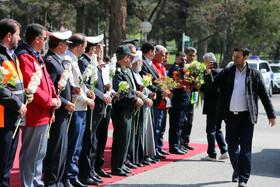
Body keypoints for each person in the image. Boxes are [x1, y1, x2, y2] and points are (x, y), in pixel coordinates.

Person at [204, 46, 276, 187]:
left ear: (245, 58)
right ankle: (237, 170)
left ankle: (243, 179)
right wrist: (207, 72)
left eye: (237, 57)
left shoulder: (254, 74)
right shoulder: (227, 72)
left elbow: (264, 95)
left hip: (247, 118)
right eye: (234, 56)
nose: (234, 59)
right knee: (231, 148)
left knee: (245, 149)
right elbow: (212, 85)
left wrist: (271, 115)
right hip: (230, 117)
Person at [15, 23, 61, 187]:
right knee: (30, 154)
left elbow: (47, 80)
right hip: (35, 112)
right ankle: (29, 184)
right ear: (36, 39)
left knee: (39, 153)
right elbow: (30, 86)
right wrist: (51, 101)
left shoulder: (35, 55)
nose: (46, 42)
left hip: (43, 112)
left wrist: (56, 97)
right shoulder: (24, 56)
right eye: (44, 38)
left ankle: (35, 182)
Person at [0, 19, 32, 187]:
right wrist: (18, 103)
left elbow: (12, 84)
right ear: (9, 35)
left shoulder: (10, 54)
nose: (20, 38)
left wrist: (26, 96)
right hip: (3, 118)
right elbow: (0, 89)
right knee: (2, 162)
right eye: (18, 34)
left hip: (13, 116)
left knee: (8, 162)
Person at [62, 33, 95, 187]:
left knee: (77, 145)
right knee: (72, 145)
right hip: (75, 107)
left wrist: (87, 91)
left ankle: (72, 175)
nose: (85, 49)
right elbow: (71, 87)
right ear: (79, 46)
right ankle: (67, 177)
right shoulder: (67, 60)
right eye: (85, 46)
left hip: (80, 107)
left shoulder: (74, 59)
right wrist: (86, 99)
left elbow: (78, 84)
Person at [43, 30, 75, 187]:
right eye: (66, 44)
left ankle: (58, 180)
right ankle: (52, 181)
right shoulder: (50, 61)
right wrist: (64, 102)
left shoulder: (58, 60)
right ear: (60, 45)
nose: (67, 47)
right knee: (55, 149)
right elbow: (51, 90)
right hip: (57, 111)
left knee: (62, 148)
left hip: (63, 111)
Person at [79, 34, 111, 185]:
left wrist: (103, 89)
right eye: (99, 47)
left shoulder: (91, 61)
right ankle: (85, 173)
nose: (100, 51)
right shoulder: (84, 61)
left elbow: (95, 83)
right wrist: (101, 95)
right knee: (89, 141)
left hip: (97, 107)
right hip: (92, 106)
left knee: (94, 141)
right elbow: (84, 85)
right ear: (93, 48)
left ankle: (91, 170)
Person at [111, 45, 143, 176]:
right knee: (121, 139)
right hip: (121, 110)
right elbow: (121, 91)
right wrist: (134, 99)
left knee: (126, 138)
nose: (131, 59)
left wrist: (135, 93)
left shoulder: (124, 70)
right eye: (129, 57)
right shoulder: (117, 71)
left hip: (127, 110)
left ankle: (122, 163)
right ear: (125, 57)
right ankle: (117, 166)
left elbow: (128, 89)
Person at [200, 52, 228, 161]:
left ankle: (211, 153)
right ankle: (224, 150)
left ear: (208, 62)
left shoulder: (212, 72)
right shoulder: (220, 71)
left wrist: (201, 87)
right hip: (219, 105)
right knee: (218, 129)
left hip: (213, 105)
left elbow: (212, 87)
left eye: (205, 61)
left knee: (211, 130)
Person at [131, 50, 157, 166]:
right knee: (140, 133)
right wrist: (146, 97)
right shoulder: (132, 73)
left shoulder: (138, 74)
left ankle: (147, 154)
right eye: (140, 62)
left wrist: (150, 93)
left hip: (146, 106)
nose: (141, 64)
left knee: (147, 132)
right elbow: (137, 91)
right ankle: (140, 156)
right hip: (139, 106)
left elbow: (143, 88)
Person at [152, 45, 173, 160]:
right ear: (156, 54)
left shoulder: (161, 66)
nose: (164, 57)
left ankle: (159, 147)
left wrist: (170, 89)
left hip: (164, 101)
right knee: (156, 126)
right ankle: (154, 149)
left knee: (161, 126)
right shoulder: (153, 65)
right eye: (162, 55)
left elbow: (165, 81)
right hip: (158, 100)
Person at [168, 52, 190, 155]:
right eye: (182, 60)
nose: (184, 62)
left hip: (183, 102)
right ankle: (174, 146)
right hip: (177, 102)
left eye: (185, 60)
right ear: (176, 59)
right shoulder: (174, 69)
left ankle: (179, 144)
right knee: (176, 126)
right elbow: (177, 74)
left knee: (181, 125)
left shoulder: (183, 69)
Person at [181, 47, 197, 151]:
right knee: (184, 121)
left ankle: (186, 141)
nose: (192, 57)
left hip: (192, 98)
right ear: (186, 55)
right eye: (190, 55)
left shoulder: (195, 66)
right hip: (184, 97)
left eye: (193, 56)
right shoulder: (184, 66)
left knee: (190, 121)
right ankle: (181, 142)